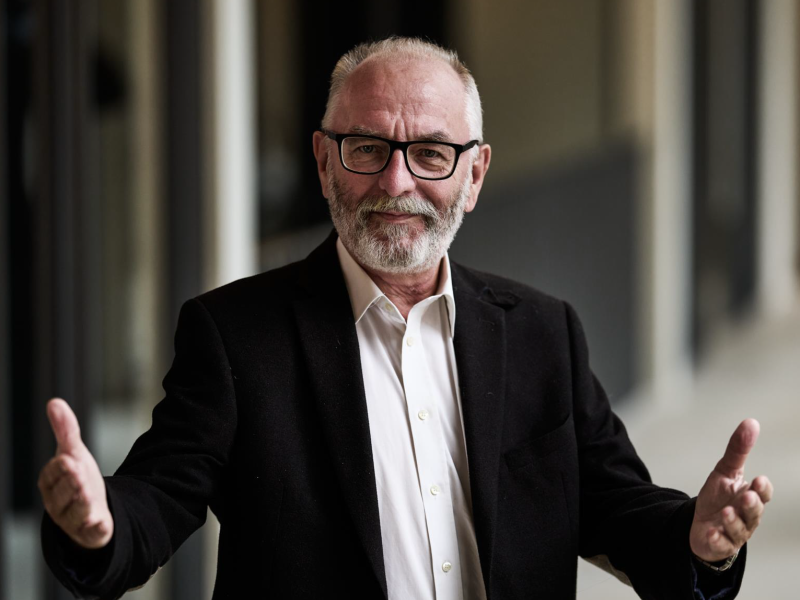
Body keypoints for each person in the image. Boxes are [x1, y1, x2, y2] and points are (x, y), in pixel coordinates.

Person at [39, 37, 772, 600]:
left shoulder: (543, 331)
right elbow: (157, 500)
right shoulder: (235, 336)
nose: (397, 182)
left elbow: (617, 508)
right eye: (367, 148)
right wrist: (99, 526)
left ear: (474, 175)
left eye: (430, 153)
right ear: (324, 162)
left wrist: (696, 539)